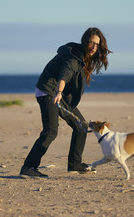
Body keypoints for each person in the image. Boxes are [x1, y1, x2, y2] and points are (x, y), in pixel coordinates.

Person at [19, 27, 112, 178]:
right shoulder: (74, 58)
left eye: (97, 44)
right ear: (85, 41)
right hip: (48, 91)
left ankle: (75, 164)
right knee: (50, 131)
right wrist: (59, 92)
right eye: (91, 43)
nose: (94, 47)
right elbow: (65, 74)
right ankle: (28, 167)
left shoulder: (81, 56)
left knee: (81, 126)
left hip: (57, 94)